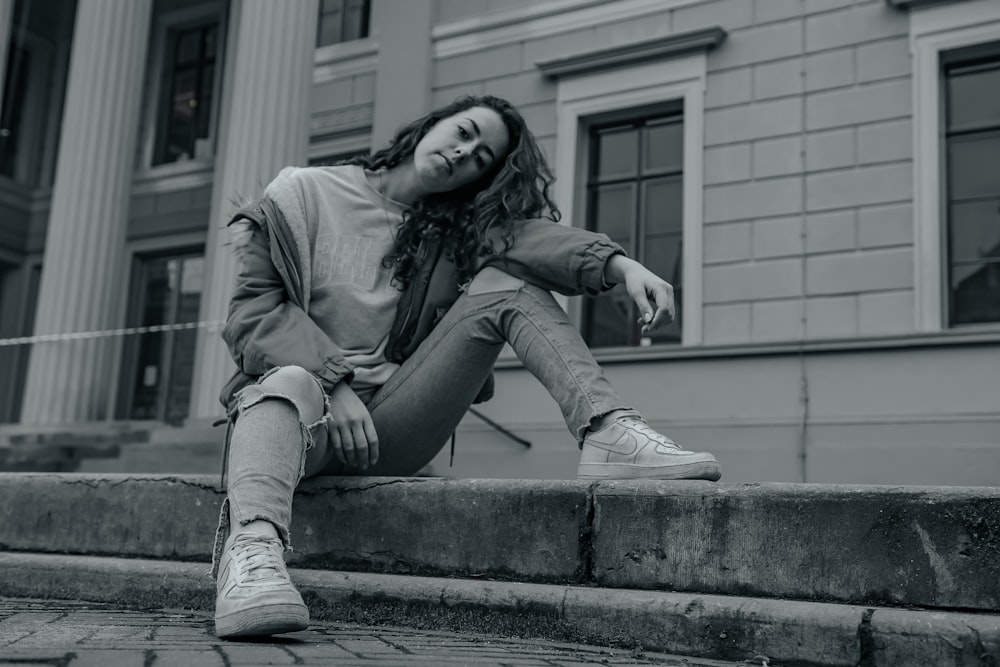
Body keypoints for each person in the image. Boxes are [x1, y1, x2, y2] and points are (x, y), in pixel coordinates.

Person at [212, 94, 721, 638]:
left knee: (508, 284)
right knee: (289, 380)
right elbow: (253, 315)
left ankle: (609, 429)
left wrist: (619, 265)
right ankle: (252, 560)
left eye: (481, 156)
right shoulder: (302, 194)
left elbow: (532, 242)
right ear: (433, 123)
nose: (464, 152)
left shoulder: (455, 232)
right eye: (464, 132)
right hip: (297, 421)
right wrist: (332, 383)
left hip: (390, 428)